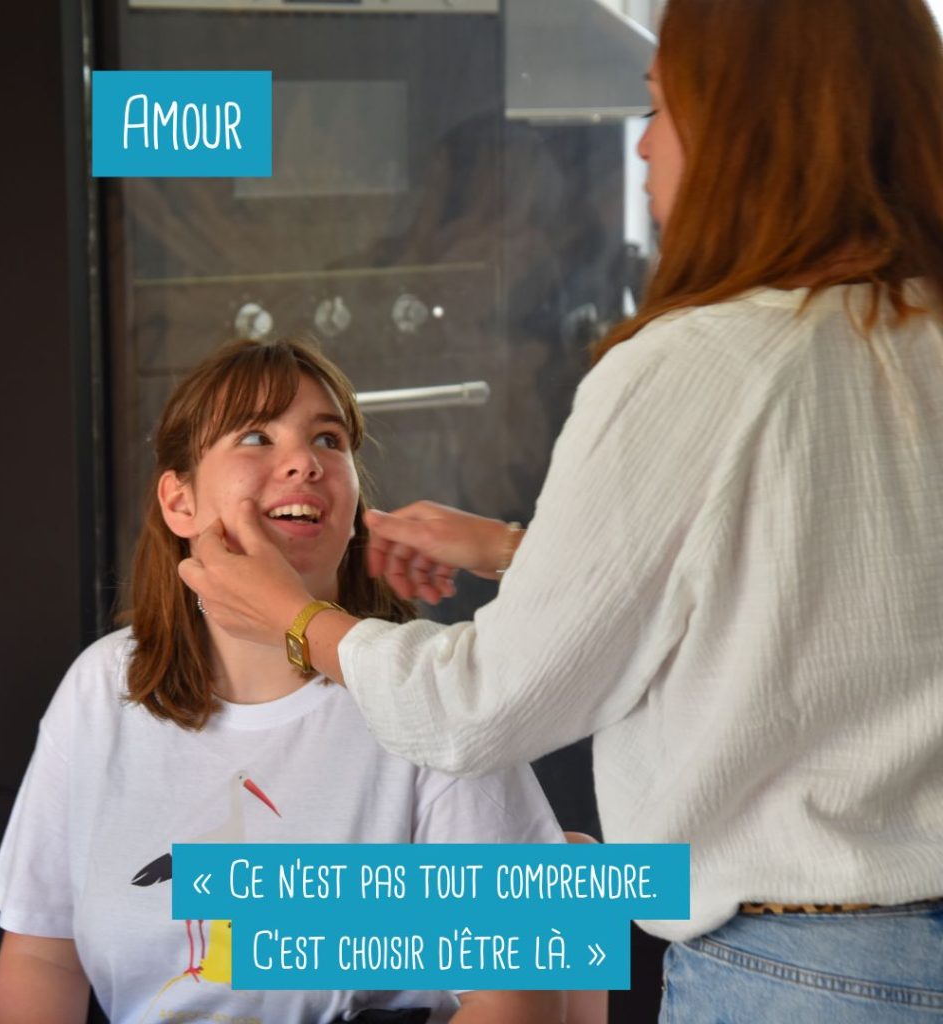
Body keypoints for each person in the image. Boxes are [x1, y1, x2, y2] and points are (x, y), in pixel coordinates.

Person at [178, 1, 943, 1020]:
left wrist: (301, 622)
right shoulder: (916, 334)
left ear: (743, 130)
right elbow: (834, 594)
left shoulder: (698, 365)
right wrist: (522, 551)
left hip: (802, 978)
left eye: (661, 108)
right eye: (253, 438)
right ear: (174, 498)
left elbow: (481, 711)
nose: (642, 145)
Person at [0, 338, 567, 1024]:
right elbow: (43, 954)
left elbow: (518, 997)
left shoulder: (427, 693)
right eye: (257, 436)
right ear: (179, 503)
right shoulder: (99, 688)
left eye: (329, 439)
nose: (305, 462)